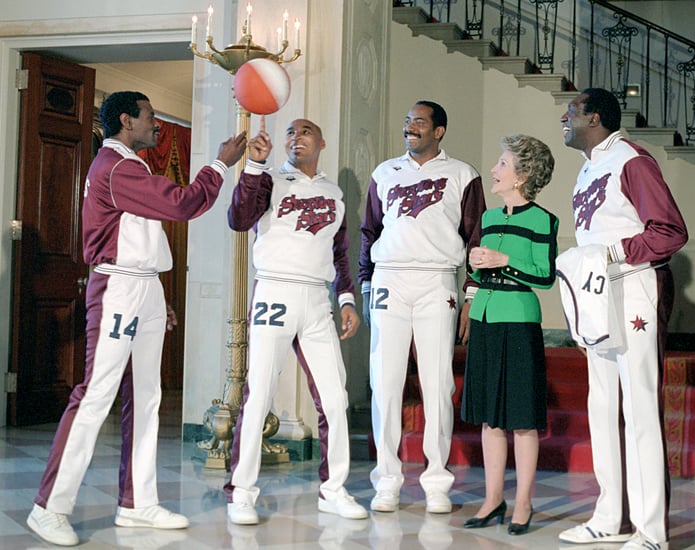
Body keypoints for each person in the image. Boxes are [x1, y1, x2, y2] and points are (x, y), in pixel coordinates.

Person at [27, 91, 248, 547]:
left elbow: (140, 232)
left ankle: (137, 502)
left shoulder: (131, 165)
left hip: (143, 286)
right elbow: (182, 204)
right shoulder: (115, 166)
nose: (157, 124)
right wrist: (220, 164)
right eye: (150, 116)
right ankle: (48, 508)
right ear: (127, 120)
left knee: (146, 396)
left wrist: (156, 297)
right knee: (95, 395)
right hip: (118, 288)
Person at [557, 88, 688, 550]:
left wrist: (615, 252)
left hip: (635, 285)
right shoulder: (587, 168)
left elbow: (670, 231)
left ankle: (651, 531)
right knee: (601, 407)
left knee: (639, 408)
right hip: (599, 290)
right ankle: (610, 516)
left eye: (571, 112)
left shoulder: (632, 160)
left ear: (594, 118)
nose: (563, 119)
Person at [223, 117, 367, 524]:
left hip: (317, 298)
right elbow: (238, 218)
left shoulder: (334, 193)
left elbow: (339, 252)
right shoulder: (269, 179)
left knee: (335, 397)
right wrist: (253, 165)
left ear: (321, 142)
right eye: (290, 132)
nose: (295, 137)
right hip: (274, 289)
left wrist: (346, 299)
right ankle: (241, 492)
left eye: (305, 132)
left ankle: (333, 489)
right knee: (259, 394)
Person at [359, 100, 486, 514]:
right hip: (389, 279)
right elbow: (369, 229)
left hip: (437, 279)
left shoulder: (462, 174)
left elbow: (477, 238)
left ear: (439, 130)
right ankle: (386, 481)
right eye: (407, 121)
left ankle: (437, 483)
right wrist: (365, 283)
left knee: (438, 383)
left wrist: (472, 294)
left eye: (419, 122)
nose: (410, 127)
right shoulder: (385, 172)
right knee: (385, 382)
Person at [460, 135, 558, 536]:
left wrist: (504, 260)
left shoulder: (542, 220)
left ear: (522, 176)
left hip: (518, 319)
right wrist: (476, 263)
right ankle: (493, 499)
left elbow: (546, 276)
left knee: (521, 418)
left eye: (502, 164)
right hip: (485, 315)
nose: (494, 170)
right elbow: (481, 270)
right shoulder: (487, 218)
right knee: (490, 416)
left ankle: (523, 503)